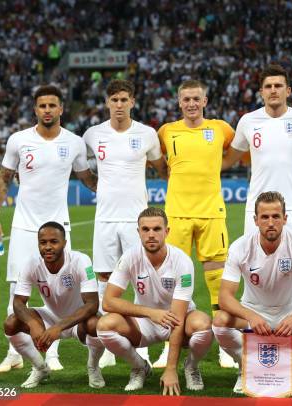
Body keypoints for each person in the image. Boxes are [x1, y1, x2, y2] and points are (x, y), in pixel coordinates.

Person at [0, 85, 97, 373]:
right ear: (35, 109)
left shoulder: (74, 143)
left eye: (52, 105)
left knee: (62, 291)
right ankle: (14, 353)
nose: (47, 110)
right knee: (16, 289)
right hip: (24, 227)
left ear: (61, 109)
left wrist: (118, 188)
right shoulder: (18, 140)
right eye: (42, 106)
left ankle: (52, 354)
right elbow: (4, 178)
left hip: (59, 227)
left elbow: (88, 178)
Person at [213, 192, 292, 393]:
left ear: (285, 219)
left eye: (276, 216)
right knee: (220, 321)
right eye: (265, 217)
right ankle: (245, 367)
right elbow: (224, 297)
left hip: (291, 311)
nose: (271, 222)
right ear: (255, 220)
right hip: (253, 312)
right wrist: (251, 316)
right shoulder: (239, 247)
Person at [83, 79, 167, 368]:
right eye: (114, 100)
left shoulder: (147, 134)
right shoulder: (93, 135)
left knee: (141, 280)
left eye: (124, 100)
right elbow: (80, 166)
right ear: (107, 103)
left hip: (136, 220)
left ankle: (143, 344)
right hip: (105, 217)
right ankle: (109, 342)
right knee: (104, 280)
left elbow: (162, 168)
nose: (119, 105)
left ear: (132, 102)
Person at [155, 79, 236, 368]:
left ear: (205, 101)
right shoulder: (166, 132)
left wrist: (218, 168)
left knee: (217, 280)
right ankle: (168, 343)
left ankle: (225, 343)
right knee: (171, 280)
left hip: (212, 212)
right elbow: (159, 164)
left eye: (196, 99)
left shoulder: (221, 129)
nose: (191, 103)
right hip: (176, 213)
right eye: (186, 99)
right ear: (179, 102)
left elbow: (237, 152)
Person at [96, 207, 213, 394]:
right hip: (145, 321)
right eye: (145, 230)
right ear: (138, 232)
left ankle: (191, 367)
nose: (151, 234)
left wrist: (170, 369)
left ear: (167, 231)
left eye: (157, 229)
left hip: (180, 319)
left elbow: (178, 317)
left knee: (203, 325)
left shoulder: (182, 261)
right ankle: (139, 367)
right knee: (105, 325)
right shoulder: (130, 257)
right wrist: (151, 313)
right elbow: (108, 302)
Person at [222, 64, 292, 245]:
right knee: (255, 266)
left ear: (288, 91)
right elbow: (228, 160)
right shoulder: (248, 121)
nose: (273, 90)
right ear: (261, 92)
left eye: (278, 86)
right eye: (268, 86)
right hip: (257, 208)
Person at [3, 222, 104, 389]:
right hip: (50, 316)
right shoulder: (30, 263)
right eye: (43, 242)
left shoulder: (81, 260)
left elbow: (92, 304)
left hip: (79, 319)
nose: (48, 247)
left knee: (96, 324)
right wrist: (33, 324)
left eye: (54, 242)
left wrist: (59, 327)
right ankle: (40, 368)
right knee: (11, 322)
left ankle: (93, 367)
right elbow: (18, 302)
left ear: (64, 243)